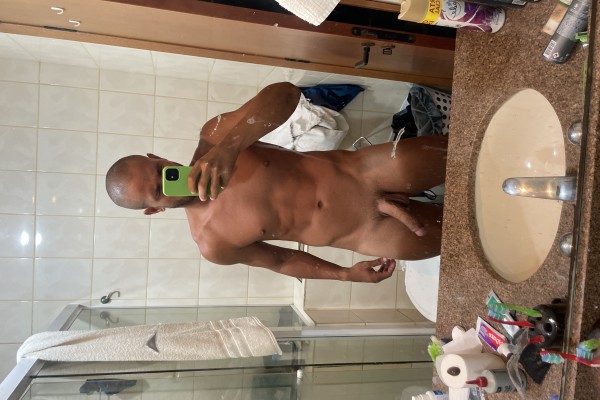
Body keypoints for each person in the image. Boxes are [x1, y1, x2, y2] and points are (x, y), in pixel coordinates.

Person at [106, 82, 447, 283]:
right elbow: (280, 261)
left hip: (370, 171)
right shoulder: (213, 243)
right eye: (159, 190)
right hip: (368, 233)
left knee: (470, 160)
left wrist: (230, 146)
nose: (168, 178)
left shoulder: (214, 137)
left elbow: (287, 94)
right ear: (154, 209)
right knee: (466, 233)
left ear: (156, 157)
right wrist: (344, 275)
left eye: (160, 169)